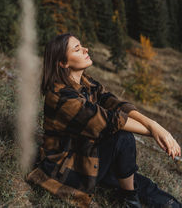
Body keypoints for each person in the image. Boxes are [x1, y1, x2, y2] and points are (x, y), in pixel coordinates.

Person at [26, 33, 182, 208]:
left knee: (149, 189)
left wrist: (155, 126)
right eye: (77, 49)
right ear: (63, 63)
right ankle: (129, 200)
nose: (86, 49)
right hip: (67, 166)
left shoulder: (87, 84)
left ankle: (149, 199)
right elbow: (108, 121)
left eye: (82, 45)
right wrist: (155, 132)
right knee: (122, 137)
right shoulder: (60, 96)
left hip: (88, 154)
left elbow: (116, 104)